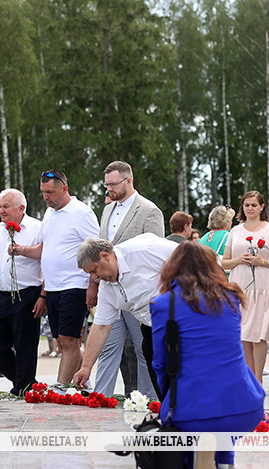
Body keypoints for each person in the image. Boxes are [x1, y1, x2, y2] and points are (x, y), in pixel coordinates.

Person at [150, 242, 264, 468]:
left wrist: (169, 399)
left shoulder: (164, 304)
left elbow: (160, 363)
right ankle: (224, 463)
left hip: (193, 410)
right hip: (244, 405)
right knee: (223, 432)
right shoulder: (230, 297)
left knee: (189, 445)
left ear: (172, 267)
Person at [71, 234, 177, 399]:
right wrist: (86, 367)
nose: (95, 277)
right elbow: (101, 326)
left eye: (94, 270)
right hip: (152, 328)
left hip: (182, 321)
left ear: (105, 256)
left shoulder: (145, 249)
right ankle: (169, 416)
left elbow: (189, 257)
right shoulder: (106, 288)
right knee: (157, 373)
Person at [95, 161, 164, 397]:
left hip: (140, 293)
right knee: (108, 347)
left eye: (113, 184)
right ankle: (100, 397)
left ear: (128, 181)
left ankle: (148, 400)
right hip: (110, 290)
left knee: (144, 350)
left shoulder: (149, 210)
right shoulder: (107, 209)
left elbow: (157, 254)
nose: (109, 190)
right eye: (106, 185)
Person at [0, 189, 45, 396]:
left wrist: (43, 296)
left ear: (21, 208)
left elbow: (46, 257)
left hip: (27, 295)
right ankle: (25, 382)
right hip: (2, 295)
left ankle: (23, 386)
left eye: (5, 206)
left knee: (25, 346)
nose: (0, 211)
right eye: (0, 206)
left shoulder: (37, 228)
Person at [30, 170, 99, 384]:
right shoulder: (49, 213)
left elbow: (95, 252)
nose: (46, 197)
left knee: (69, 341)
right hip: (53, 288)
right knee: (62, 342)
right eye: (43, 192)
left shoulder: (82, 212)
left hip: (75, 285)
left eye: (50, 192)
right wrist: (43, 292)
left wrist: (92, 286)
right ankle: (80, 382)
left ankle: (60, 387)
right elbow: (47, 251)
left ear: (65, 188)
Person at [221, 191, 269, 385]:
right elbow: (224, 263)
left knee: (259, 334)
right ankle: (248, 378)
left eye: (254, 205)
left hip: (264, 287)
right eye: (246, 205)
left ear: (262, 207)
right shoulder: (235, 231)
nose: (250, 208)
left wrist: (260, 260)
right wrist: (239, 259)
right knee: (243, 333)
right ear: (242, 208)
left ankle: (258, 378)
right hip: (239, 287)